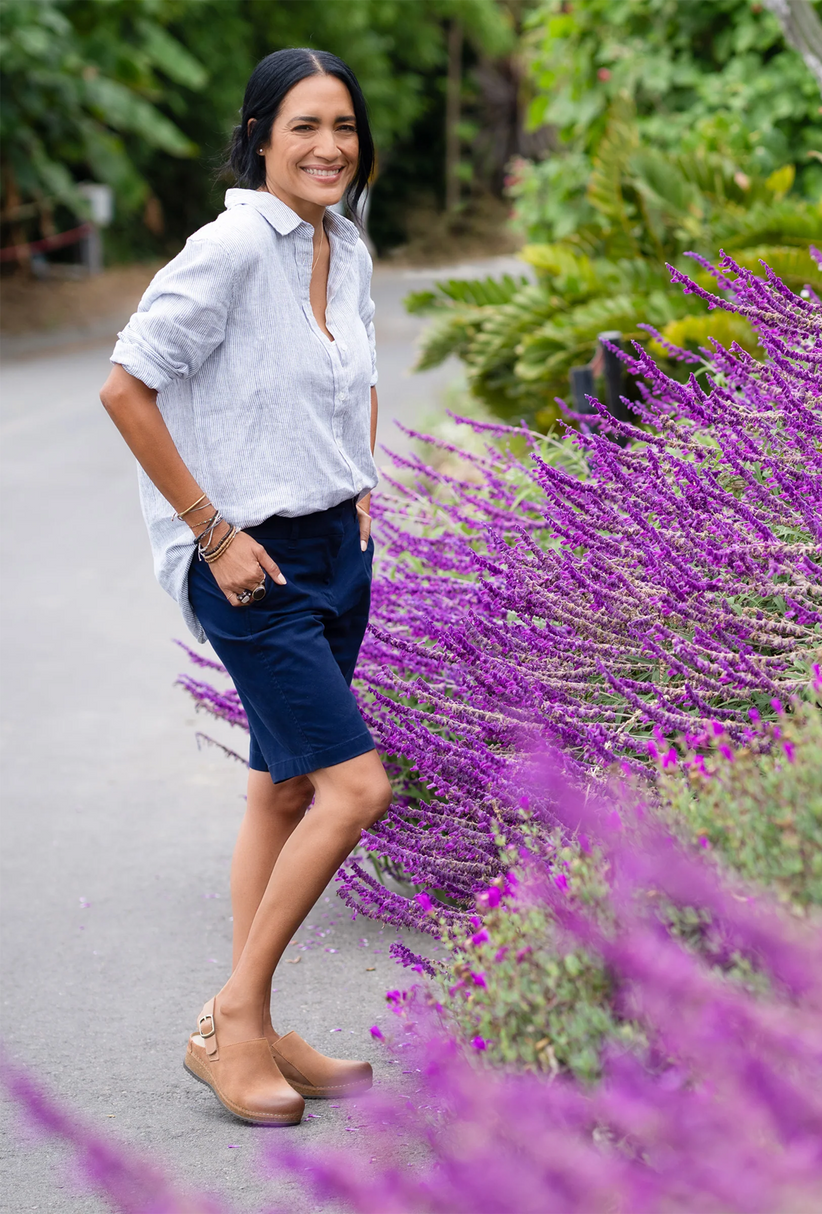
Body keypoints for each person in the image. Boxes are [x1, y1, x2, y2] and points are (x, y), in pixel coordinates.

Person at [99, 48, 392, 1127]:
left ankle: (259, 1026)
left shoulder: (342, 245)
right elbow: (126, 387)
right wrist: (211, 531)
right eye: (306, 126)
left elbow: (353, 374)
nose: (329, 147)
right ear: (261, 135)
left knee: (280, 788)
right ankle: (229, 1019)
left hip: (333, 554)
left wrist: (361, 486)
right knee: (353, 788)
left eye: (345, 128)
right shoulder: (228, 248)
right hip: (250, 563)